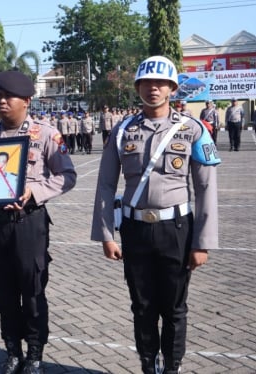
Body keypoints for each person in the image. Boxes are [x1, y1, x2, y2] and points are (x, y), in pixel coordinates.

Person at [91, 55, 220, 374]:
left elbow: (206, 188)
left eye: (161, 83)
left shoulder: (193, 129)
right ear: (138, 87)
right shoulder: (122, 130)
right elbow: (106, 184)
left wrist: (202, 242)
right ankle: (149, 365)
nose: (154, 88)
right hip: (135, 229)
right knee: (142, 306)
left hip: (176, 229)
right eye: (147, 82)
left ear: (172, 88)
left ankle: (172, 367)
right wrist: (106, 234)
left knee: (174, 307)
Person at [0, 70, 77, 374]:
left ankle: (34, 354)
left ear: (27, 101)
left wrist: (35, 192)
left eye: (9, 96)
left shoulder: (45, 134)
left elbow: (67, 176)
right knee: (3, 290)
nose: (2, 101)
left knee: (31, 291)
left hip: (29, 222)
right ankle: (12, 351)